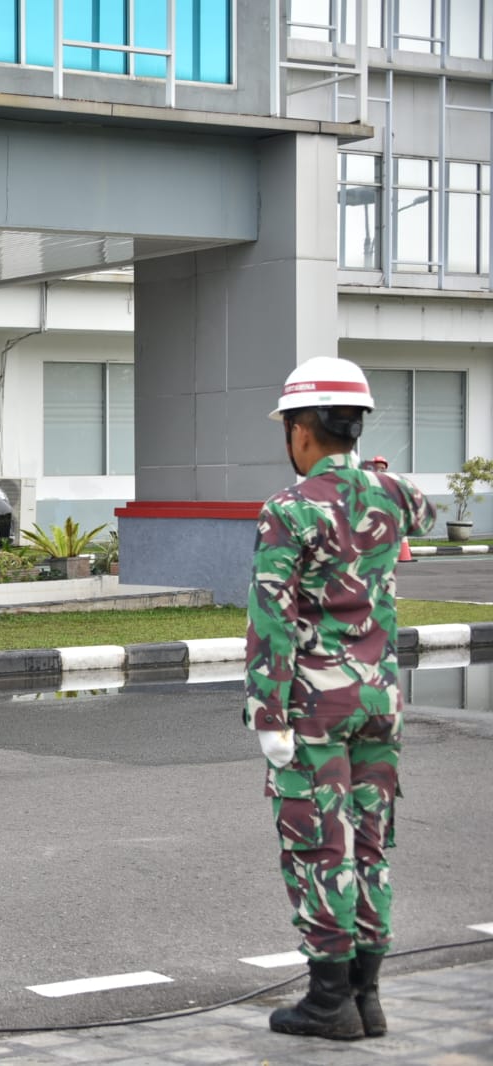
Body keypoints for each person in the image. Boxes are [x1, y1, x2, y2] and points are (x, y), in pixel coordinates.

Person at [245, 356, 435, 1041]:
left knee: (321, 847)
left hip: (313, 710)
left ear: (301, 430)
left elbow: (270, 617)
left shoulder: (288, 510)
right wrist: (371, 475)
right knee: (371, 846)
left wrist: (268, 715)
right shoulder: (393, 494)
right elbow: (428, 509)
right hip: (379, 699)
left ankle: (330, 1001)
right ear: (355, 425)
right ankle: (368, 996)